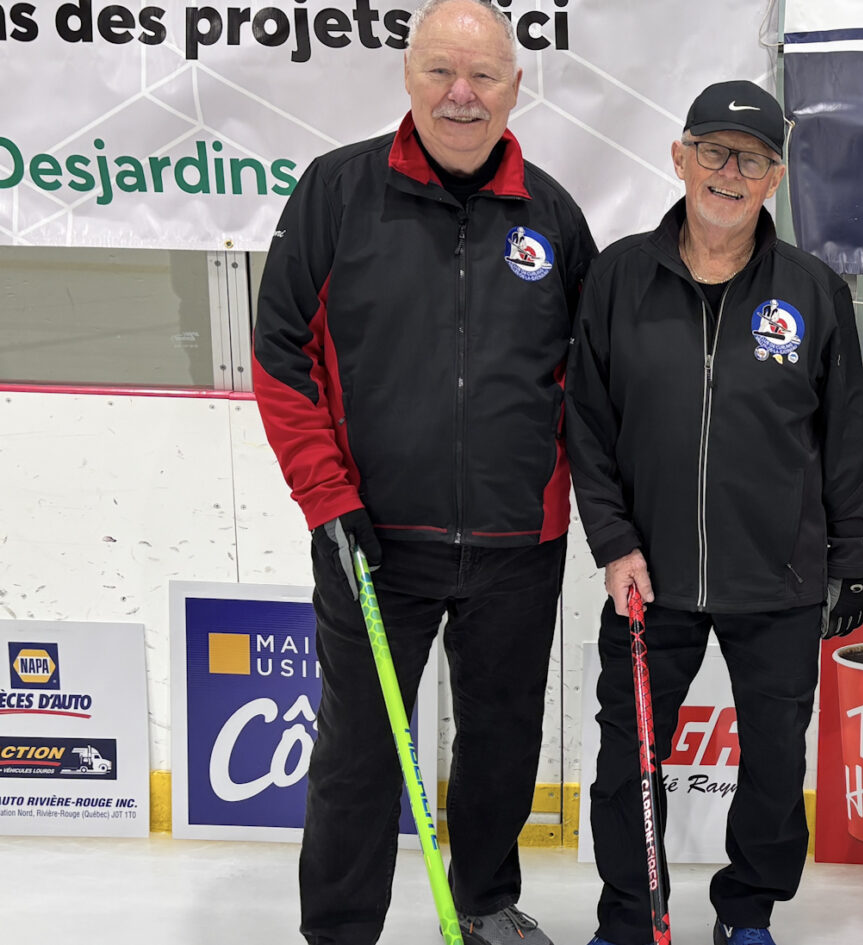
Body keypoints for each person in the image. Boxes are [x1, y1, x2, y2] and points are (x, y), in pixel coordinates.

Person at [252, 1, 596, 942]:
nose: (460, 94)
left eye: (483, 76)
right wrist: (327, 496)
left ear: (515, 89)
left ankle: (483, 903)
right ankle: (339, 928)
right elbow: (280, 352)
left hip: (517, 542)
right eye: (441, 71)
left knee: (502, 740)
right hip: (371, 536)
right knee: (359, 752)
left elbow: (593, 382)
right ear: (408, 77)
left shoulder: (554, 217)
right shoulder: (336, 192)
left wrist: (591, 511)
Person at [567, 79, 863, 945]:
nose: (729, 173)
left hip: (778, 575)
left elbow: (845, 436)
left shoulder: (813, 291)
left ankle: (746, 912)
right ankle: (632, 914)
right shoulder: (620, 276)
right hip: (648, 572)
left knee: (774, 761)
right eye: (714, 152)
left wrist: (850, 563)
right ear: (680, 157)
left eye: (752, 159)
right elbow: (586, 423)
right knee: (628, 756)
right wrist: (614, 542)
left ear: (775, 177)